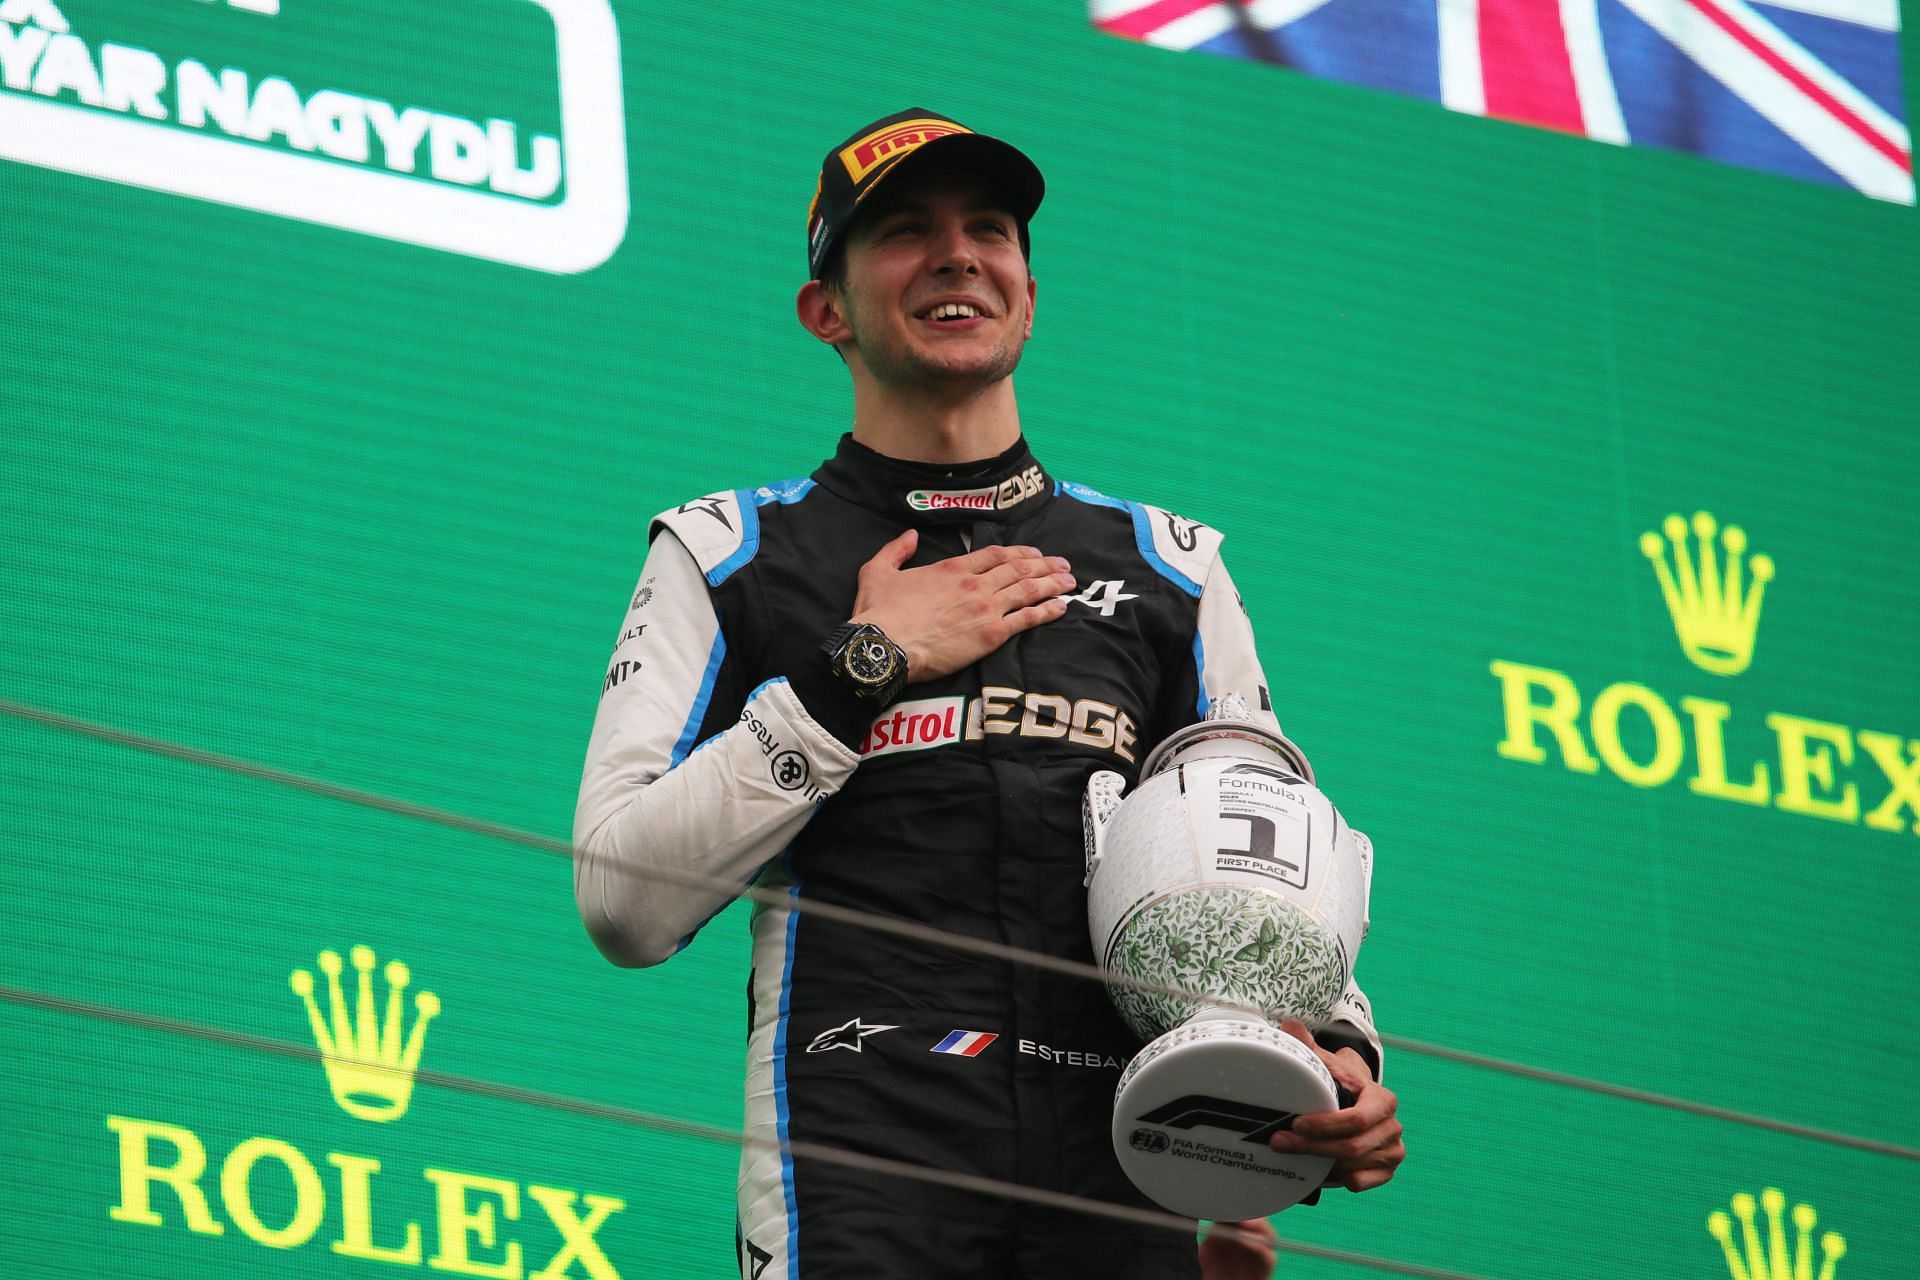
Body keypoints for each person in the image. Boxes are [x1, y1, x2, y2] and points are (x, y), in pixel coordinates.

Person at [573, 108, 1403, 1280]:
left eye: (990, 229)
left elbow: (1268, 866)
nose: (958, 253)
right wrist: (858, 669)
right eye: (904, 231)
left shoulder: (1171, 567)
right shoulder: (727, 551)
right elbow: (621, 899)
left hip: (1125, 1172)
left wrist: (1338, 1047)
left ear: (1026, 287)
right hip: (855, 1160)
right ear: (828, 311)